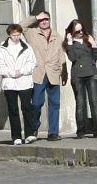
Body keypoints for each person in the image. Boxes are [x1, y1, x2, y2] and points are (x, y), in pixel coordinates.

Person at [25, 9, 68, 141]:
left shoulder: (57, 36)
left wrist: (64, 72)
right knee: (37, 103)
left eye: (46, 19)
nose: (44, 22)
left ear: (50, 20)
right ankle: (34, 126)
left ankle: (53, 132)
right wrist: (35, 17)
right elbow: (20, 26)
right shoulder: (32, 33)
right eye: (42, 20)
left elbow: (61, 55)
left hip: (53, 73)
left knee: (55, 103)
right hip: (38, 73)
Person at [0, 24, 37, 144]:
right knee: (13, 109)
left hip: (24, 81)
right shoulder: (3, 48)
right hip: (10, 82)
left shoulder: (26, 47)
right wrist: (12, 73)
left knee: (26, 107)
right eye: (14, 35)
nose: (17, 37)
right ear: (9, 35)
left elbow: (32, 62)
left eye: (18, 34)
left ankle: (29, 133)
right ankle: (16, 136)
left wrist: (22, 71)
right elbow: (0, 65)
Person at [64, 19, 97, 138]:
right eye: (77, 31)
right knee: (80, 104)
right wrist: (70, 42)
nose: (81, 33)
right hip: (78, 76)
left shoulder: (87, 40)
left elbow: (95, 57)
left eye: (82, 30)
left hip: (90, 74)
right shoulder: (70, 44)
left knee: (94, 103)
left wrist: (94, 44)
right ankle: (81, 131)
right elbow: (72, 58)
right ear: (71, 32)